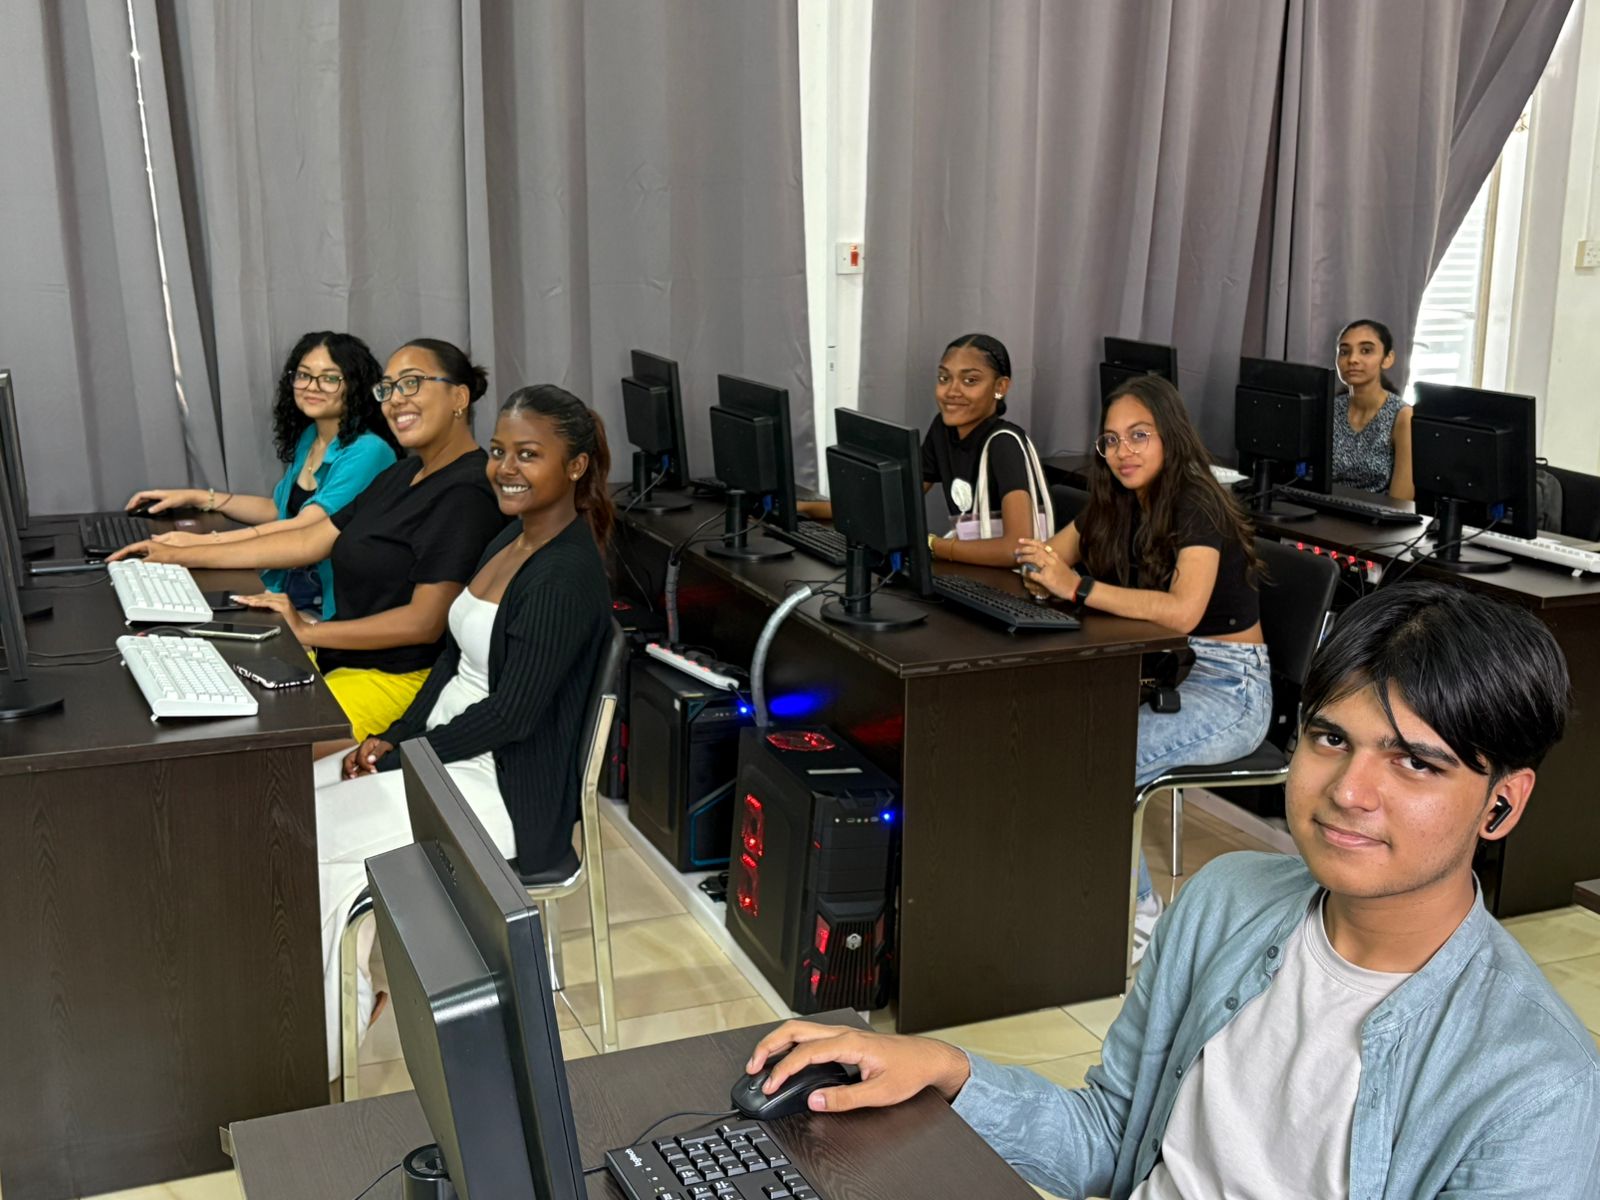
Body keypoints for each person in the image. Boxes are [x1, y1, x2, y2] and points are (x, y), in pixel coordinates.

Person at [743, 582, 1599, 1199]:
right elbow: (1112, 1141)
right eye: (1331, 738)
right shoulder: (1227, 902)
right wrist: (946, 1069)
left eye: (1414, 762)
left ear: (1502, 804)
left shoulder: (1537, 1089)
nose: (1349, 790)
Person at [314, 384, 614, 1076]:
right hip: (447, 755)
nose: (506, 468)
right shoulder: (511, 534)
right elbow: (451, 661)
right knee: (298, 799)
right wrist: (391, 737)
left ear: (574, 467)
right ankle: (342, 998)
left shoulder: (566, 574)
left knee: (320, 847)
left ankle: (326, 1050)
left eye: (529, 455)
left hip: (502, 793)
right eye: (501, 451)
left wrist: (407, 758)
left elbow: (512, 715)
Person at [111, 338, 507, 741]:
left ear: (459, 396)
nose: (394, 400)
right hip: (344, 657)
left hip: (398, 678)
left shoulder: (467, 491)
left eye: (411, 384)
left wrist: (308, 632)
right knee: (198, 695)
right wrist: (182, 557)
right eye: (387, 389)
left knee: (237, 744)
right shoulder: (402, 475)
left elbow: (424, 623)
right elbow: (310, 539)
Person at [1014, 374, 1269, 955]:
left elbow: (1182, 612)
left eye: (1138, 436)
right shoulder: (1118, 499)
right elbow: (1052, 559)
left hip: (1230, 688)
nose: (1123, 452)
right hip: (1160, 670)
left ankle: (1138, 915)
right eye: (1111, 440)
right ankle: (1059, 895)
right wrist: (1040, 570)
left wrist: (1075, 588)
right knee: (1052, 731)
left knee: (1106, 758)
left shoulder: (1198, 501)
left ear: (1170, 438)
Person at [124, 331, 398, 616]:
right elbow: (277, 510)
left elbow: (304, 526)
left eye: (329, 378)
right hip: (287, 586)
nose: (312, 387)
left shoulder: (368, 451)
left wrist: (199, 544)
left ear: (355, 385)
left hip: (329, 606)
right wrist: (199, 497)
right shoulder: (312, 435)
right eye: (303, 375)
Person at [798, 333, 1044, 568]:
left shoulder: (1004, 443)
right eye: (944, 378)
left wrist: (933, 545)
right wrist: (806, 508)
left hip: (1014, 585)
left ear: (1000, 386)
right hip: (975, 570)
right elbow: (890, 501)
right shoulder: (943, 430)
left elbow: (1017, 549)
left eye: (970, 381)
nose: (951, 391)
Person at [1333, 317, 1414, 500]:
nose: (1352, 359)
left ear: (1387, 359)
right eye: (1344, 352)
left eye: (1366, 351)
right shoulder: (1329, 408)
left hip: (1376, 521)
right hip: (1325, 511)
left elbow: (1401, 502)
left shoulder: (1402, 416)